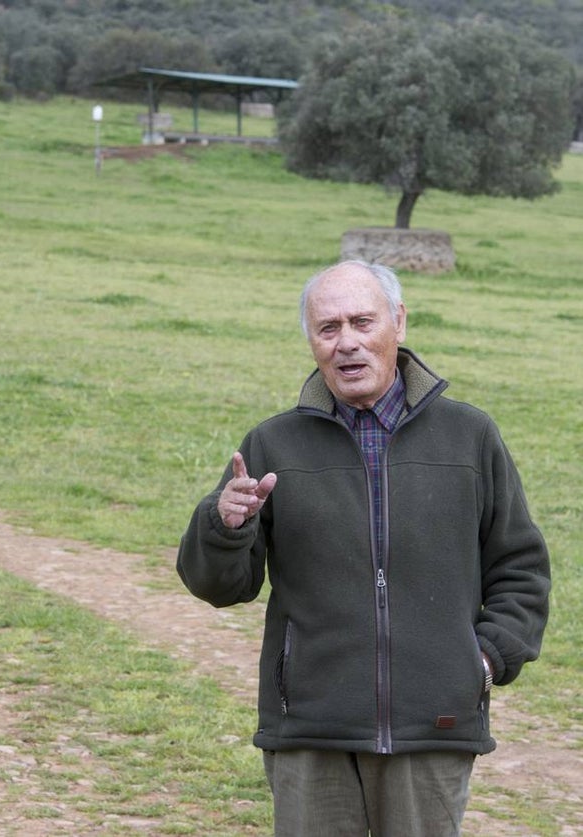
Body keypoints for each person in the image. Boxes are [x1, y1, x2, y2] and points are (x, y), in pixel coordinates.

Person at [176, 260, 550, 837]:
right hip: (310, 729)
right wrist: (225, 525)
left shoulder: (470, 437)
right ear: (311, 341)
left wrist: (482, 661)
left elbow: (520, 567)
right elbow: (223, 586)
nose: (346, 342)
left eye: (361, 321)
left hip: (433, 726)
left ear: (397, 323)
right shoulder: (274, 442)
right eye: (327, 328)